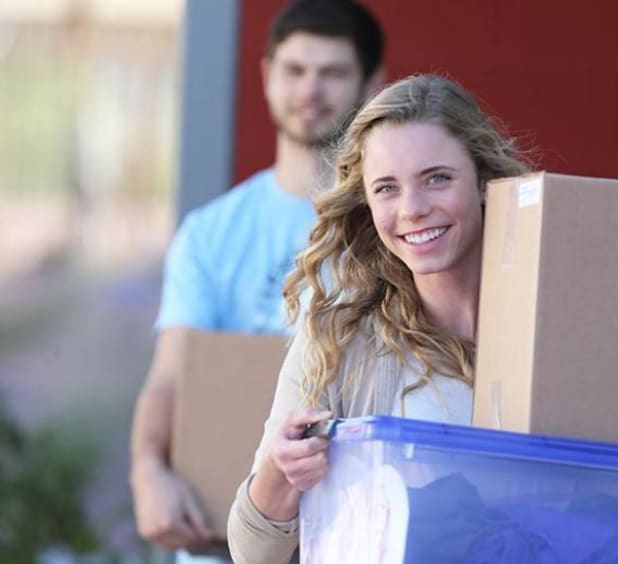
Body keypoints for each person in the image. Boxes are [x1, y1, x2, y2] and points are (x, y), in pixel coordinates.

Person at [226, 74, 529, 563]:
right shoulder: (340, 335)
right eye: (387, 188)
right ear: (366, 202)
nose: (412, 209)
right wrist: (279, 473)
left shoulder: (550, 324)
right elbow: (251, 551)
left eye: (437, 178)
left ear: (483, 180)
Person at [129, 1, 384, 561]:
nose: (310, 90)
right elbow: (171, 376)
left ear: (372, 83)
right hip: (220, 540)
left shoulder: (395, 226)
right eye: (295, 70)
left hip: (351, 537)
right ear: (267, 76)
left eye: (333, 73)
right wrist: (148, 472)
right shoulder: (211, 232)